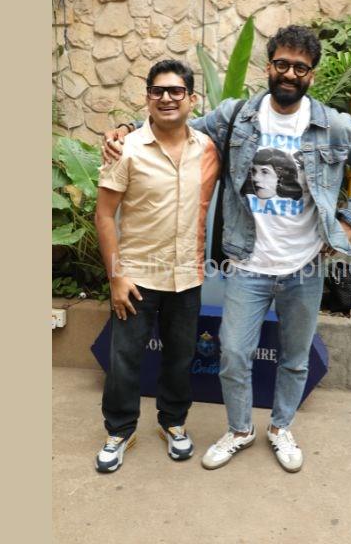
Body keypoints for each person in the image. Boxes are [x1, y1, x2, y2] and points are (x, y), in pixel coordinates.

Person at [102, 25, 351, 473]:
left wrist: (349, 222)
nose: (289, 73)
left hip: (305, 265)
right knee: (233, 354)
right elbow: (176, 126)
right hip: (248, 262)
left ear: (311, 74)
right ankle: (239, 430)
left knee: (295, 358)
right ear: (269, 66)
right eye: (282, 64)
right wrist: (126, 130)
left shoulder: (334, 125)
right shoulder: (237, 116)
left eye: (300, 67)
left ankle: (281, 426)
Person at [93, 59, 220, 473]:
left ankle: (173, 423)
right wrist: (116, 276)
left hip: (186, 275)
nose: (167, 98)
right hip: (136, 277)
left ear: (191, 98)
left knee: (180, 358)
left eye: (176, 91)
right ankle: (119, 430)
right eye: (158, 91)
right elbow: (104, 215)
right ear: (147, 98)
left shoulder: (208, 149)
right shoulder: (125, 149)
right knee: (124, 360)